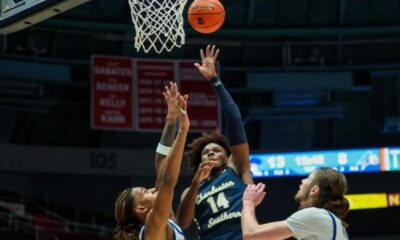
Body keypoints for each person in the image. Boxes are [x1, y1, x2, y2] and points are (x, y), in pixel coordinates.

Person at [176, 45, 253, 240]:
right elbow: (182, 223)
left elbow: (234, 118)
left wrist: (214, 80)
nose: (210, 153)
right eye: (206, 152)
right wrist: (195, 184)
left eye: (216, 150)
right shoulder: (192, 190)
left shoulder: (237, 167)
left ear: (227, 156)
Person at [114, 83, 189, 240]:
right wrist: (182, 131)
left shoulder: (163, 219)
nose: (151, 189)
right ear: (141, 209)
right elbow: (167, 182)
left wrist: (171, 118)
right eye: (145, 192)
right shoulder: (152, 226)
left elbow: (162, 163)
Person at [241, 168, 350, 240]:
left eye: (308, 178)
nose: (302, 181)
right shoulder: (330, 221)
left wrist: (248, 203)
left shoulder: (316, 215)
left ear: (314, 190)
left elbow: (252, 234)